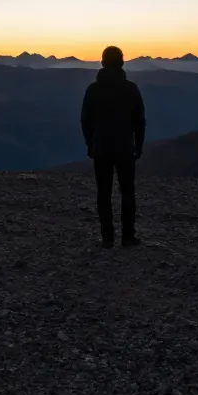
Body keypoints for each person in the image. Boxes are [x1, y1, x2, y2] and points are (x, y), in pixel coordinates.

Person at [80, 45, 146, 248]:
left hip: (101, 148)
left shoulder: (93, 90)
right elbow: (139, 121)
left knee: (103, 192)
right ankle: (128, 236)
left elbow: (85, 121)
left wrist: (90, 145)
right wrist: (139, 146)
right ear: (122, 62)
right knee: (127, 191)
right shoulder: (131, 89)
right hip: (126, 148)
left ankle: (107, 237)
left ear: (102, 62)